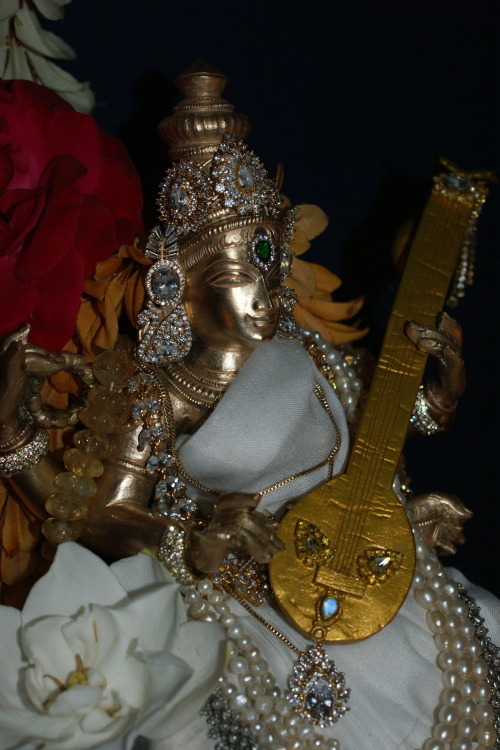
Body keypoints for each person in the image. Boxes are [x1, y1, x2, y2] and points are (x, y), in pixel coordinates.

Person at [0, 63, 498, 750]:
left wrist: (434, 405)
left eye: (270, 266)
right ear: (180, 281)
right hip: (245, 619)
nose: (264, 294)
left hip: (368, 587)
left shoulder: (310, 355)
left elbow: (376, 427)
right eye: (239, 277)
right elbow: (102, 513)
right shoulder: (158, 394)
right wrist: (189, 532)